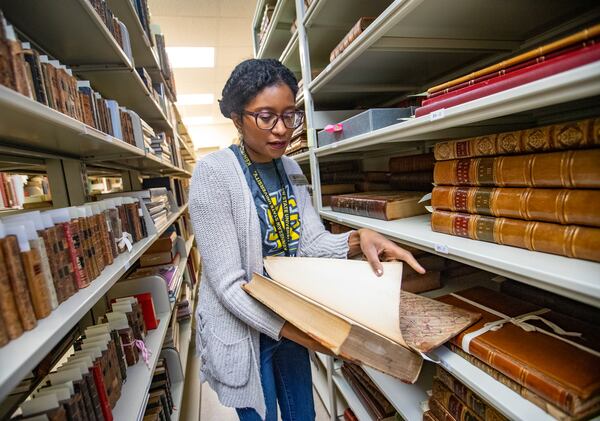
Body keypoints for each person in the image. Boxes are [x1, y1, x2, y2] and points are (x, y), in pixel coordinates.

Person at [189, 58, 425, 421]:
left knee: (304, 414)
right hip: (246, 325)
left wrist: (357, 239)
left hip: (290, 312)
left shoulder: (292, 169)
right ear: (237, 118)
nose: (282, 129)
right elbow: (228, 284)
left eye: (290, 115)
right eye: (266, 117)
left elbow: (310, 243)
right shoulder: (213, 173)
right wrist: (303, 333)